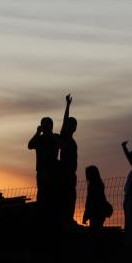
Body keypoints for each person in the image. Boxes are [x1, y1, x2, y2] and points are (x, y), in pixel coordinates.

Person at [27, 114, 63, 226]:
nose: (46, 127)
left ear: (51, 126)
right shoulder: (39, 139)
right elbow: (29, 145)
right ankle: (42, 218)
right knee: (42, 195)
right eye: (44, 125)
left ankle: (52, 218)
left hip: (53, 172)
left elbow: (61, 145)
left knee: (52, 196)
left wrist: (50, 134)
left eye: (48, 125)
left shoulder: (55, 137)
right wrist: (38, 133)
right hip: (42, 172)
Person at [58, 94, 78, 224]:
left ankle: (69, 218)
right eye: (72, 124)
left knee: (71, 197)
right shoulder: (64, 137)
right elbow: (64, 121)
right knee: (66, 197)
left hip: (71, 174)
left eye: (75, 125)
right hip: (64, 174)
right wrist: (67, 105)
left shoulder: (72, 140)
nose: (73, 127)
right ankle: (65, 219)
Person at [82, 165, 112, 230]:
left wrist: (86, 215)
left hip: (95, 212)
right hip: (101, 211)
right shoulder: (99, 184)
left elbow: (90, 201)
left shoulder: (92, 186)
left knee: (95, 230)